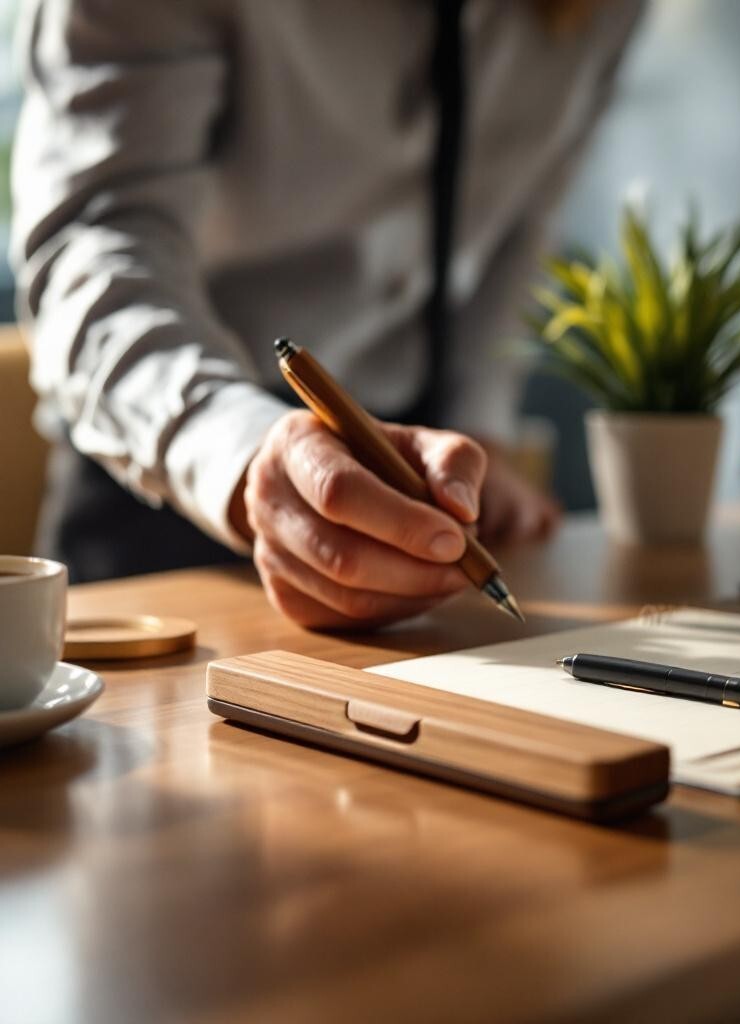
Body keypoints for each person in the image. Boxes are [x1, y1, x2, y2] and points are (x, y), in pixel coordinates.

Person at [11, 0, 643, 628]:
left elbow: (525, 219)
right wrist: (236, 445)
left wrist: (479, 424)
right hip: (169, 479)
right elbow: (92, 244)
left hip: (415, 473)